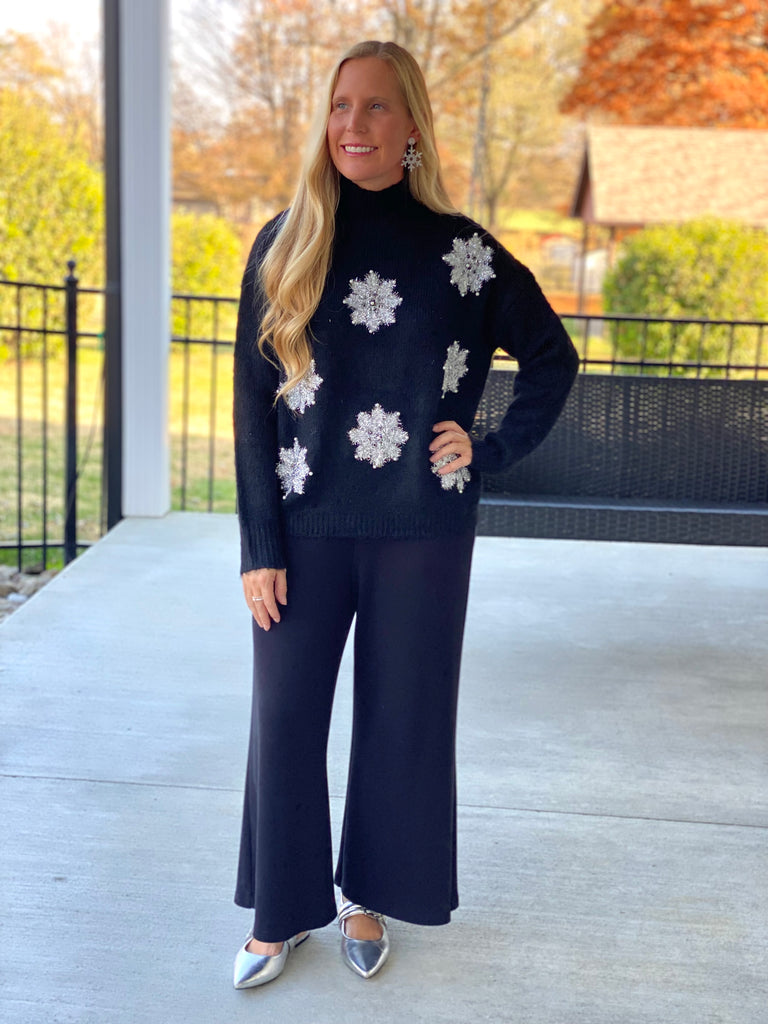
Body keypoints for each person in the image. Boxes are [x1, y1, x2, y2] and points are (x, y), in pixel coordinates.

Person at [231, 39, 579, 989]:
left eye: (377, 106)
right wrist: (259, 544)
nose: (354, 124)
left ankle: (369, 897)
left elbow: (552, 358)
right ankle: (280, 914)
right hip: (304, 527)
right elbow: (251, 408)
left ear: (413, 125)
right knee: (285, 716)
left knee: (402, 720)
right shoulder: (284, 241)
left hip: (423, 528)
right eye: (341, 106)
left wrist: (488, 447)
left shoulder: (463, 252)